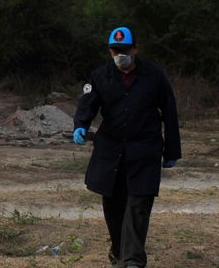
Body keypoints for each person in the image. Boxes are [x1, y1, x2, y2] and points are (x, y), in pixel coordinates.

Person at [72, 26, 181, 268]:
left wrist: (172, 151)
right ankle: (119, 253)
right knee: (114, 207)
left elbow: (170, 113)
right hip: (111, 151)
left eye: (125, 50)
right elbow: (87, 104)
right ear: (110, 51)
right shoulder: (100, 76)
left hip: (144, 150)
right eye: (115, 51)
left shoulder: (154, 76)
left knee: (138, 205)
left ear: (135, 48)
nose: (120, 55)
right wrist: (80, 125)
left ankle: (133, 261)